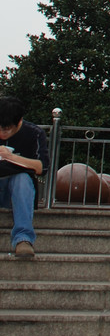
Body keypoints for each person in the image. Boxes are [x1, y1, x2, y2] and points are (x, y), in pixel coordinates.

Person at [0, 96, 49, 258]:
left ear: (19, 121)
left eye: (6, 129)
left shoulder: (34, 133)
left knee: (21, 178)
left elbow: (42, 167)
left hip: (17, 193)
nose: (2, 133)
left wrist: (10, 157)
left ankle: (23, 239)